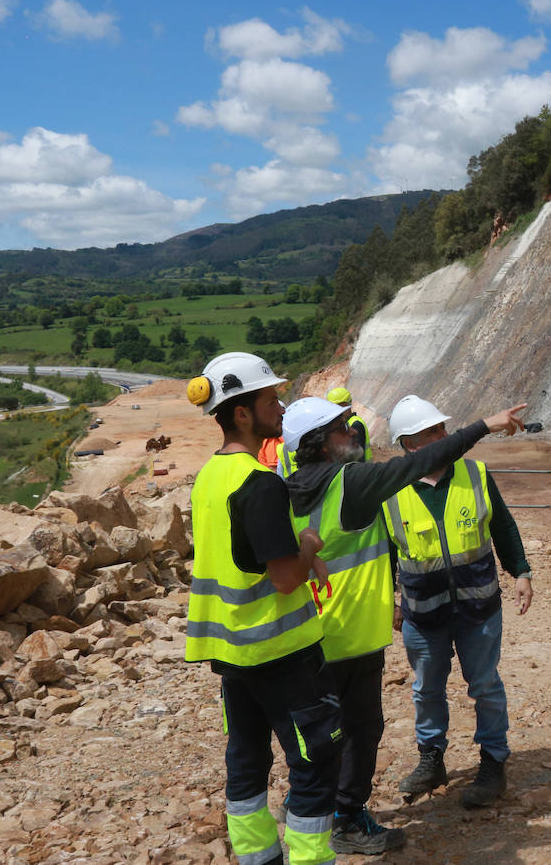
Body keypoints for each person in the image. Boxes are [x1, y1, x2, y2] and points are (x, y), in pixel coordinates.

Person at [279, 395, 527, 853]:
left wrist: (521, 571)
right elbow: (392, 532)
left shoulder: (281, 490)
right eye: (340, 431)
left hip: (313, 635)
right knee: (367, 724)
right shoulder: (363, 486)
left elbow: (502, 525)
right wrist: (484, 426)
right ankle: (351, 811)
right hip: (373, 629)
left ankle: (308, 805)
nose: (352, 435)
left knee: (323, 732)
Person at [183, 352, 340, 865]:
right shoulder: (259, 481)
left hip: (232, 653)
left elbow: (239, 558)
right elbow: (285, 576)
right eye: (271, 398)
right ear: (243, 413)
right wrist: (311, 547)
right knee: (314, 760)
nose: (280, 405)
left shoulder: (209, 477)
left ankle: (258, 858)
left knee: (247, 761)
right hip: (280, 651)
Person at [385, 395, 534, 809]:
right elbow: (384, 554)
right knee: (426, 690)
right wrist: (391, 603)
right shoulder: (390, 488)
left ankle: (492, 763)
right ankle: (431, 760)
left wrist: (520, 570)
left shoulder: (474, 473)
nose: (443, 436)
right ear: (410, 444)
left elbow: (502, 524)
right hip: (421, 614)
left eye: (442, 428)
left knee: (485, 686)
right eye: (431, 432)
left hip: (478, 610)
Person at [327, 386, 372, 462]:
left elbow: (356, 457)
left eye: (337, 405)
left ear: (346, 404)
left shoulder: (355, 424)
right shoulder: (344, 423)